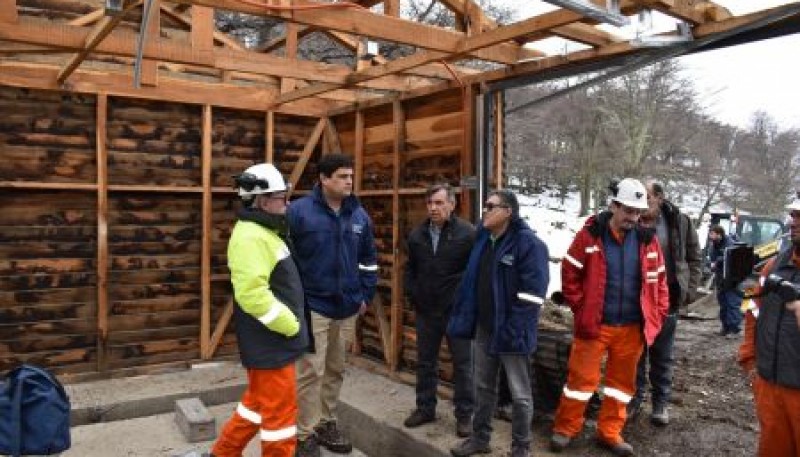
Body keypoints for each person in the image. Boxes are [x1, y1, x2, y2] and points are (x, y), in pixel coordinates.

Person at [549, 178, 669, 457]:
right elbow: (570, 273)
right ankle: (566, 428)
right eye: (628, 210)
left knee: (620, 386)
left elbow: (660, 282)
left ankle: (610, 432)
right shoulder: (591, 234)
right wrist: (582, 308)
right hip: (595, 325)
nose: (633, 217)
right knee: (580, 381)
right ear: (614, 206)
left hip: (632, 328)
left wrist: (658, 314)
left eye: (638, 212)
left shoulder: (647, 241)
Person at [211, 163, 309, 457]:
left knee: (256, 405)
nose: (287, 202)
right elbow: (252, 295)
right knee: (280, 419)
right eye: (282, 197)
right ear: (263, 201)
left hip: (268, 343)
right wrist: (290, 325)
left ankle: (223, 453)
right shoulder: (252, 236)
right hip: (273, 342)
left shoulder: (262, 230)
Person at [447, 189, 550, 457]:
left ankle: (521, 447)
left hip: (513, 332)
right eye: (484, 206)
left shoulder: (529, 244)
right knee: (482, 386)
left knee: (519, 393)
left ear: (508, 212)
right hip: (485, 327)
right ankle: (480, 439)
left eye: (491, 206)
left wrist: (513, 329)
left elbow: (533, 296)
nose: (485, 211)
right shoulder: (484, 239)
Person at [288, 153, 378, 457]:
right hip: (313, 304)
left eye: (350, 176)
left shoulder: (359, 216)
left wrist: (364, 294)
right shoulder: (299, 212)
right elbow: (285, 259)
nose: (349, 181)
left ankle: (326, 422)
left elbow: (368, 260)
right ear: (323, 179)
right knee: (310, 371)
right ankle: (304, 433)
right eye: (341, 176)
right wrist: (293, 297)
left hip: (348, 306)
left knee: (336, 369)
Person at [402, 183, 476, 437]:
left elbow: (475, 272)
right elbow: (410, 270)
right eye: (430, 203)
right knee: (425, 363)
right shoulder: (417, 236)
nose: (433, 208)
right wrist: (414, 294)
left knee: (464, 365)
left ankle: (464, 416)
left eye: (439, 203)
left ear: (452, 205)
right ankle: (425, 408)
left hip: (457, 313)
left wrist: (467, 303)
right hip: (427, 311)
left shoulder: (468, 234)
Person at [630, 181, 702, 425]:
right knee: (635, 353)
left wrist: (688, 291)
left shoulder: (679, 221)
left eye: (647, 197)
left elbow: (694, 257)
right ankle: (635, 400)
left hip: (667, 299)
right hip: (635, 299)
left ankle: (660, 403)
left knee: (663, 354)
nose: (641, 202)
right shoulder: (632, 218)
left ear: (660, 198)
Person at [738, 196, 800, 456]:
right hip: (770, 385)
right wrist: (749, 359)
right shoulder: (773, 266)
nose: (793, 222)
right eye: (793, 216)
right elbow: (751, 309)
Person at [708, 225, 743, 337]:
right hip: (720, 278)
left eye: (713, 234)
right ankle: (725, 327)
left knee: (732, 302)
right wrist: (712, 264)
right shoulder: (714, 245)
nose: (711, 236)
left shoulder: (730, 244)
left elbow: (730, 257)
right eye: (710, 234)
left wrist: (717, 261)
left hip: (731, 278)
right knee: (723, 302)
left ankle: (734, 329)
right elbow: (712, 258)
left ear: (719, 234)